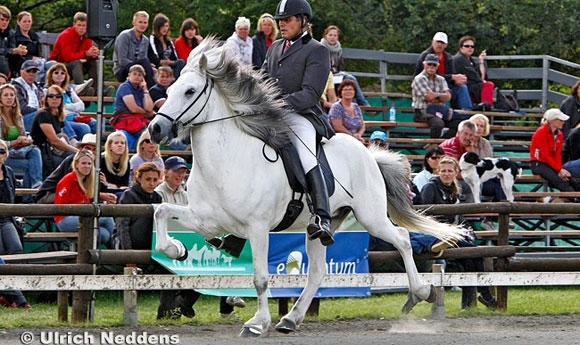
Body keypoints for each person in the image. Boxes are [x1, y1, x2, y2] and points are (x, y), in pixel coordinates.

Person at [263, 0, 334, 246]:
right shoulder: (274, 47)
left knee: (306, 156)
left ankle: (323, 216)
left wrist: (276, 104)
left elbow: (310, 94)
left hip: (300, 114)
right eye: (280, 20)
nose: (282, 24)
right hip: (271, 114)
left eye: (288, 19)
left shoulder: (317, 50)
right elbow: (262, 79)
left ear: (303, 21)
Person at [154, 156, 246, 319]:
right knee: (204, 261)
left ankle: (227, 300)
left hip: (190, 242)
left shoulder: (186, 194)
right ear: (166, 172)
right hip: (172, 242)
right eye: (176, 171)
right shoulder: (158, 193)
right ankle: (195, 304)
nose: (180, 175)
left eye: (183, 172)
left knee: (215, 258)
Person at [418, 156, 497, 310]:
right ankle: (485, 295)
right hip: (436, 236)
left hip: (453, 234)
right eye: (443, 171)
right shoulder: (430, 187)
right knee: (474, 254)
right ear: (438, 171)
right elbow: (424, 214)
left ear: (455, 172)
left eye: (449, 171)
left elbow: (459, 217)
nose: (446, 174)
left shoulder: (455, 189)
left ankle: (469, 305)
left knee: (470, 260)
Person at [54, 150, 115, 247]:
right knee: (107, 219)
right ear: (76, 164)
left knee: (104, 234)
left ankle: (94, 256)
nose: (87, 166)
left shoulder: (87, 181)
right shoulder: (68, 179)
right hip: (65, 219)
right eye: (83, 163)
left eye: (89, 163)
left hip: (82, 217)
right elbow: (60, 206)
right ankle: (115, 253)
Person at [35, 133, 116, 205]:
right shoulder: (73, 160)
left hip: (74, 198)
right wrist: (99, 196)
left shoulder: (98, 162)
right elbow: (73, 190)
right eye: (88, 148)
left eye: (94, 149)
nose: (91, 152)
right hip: (49, 195)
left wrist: (106, 187)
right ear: (81, 149)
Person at [48, 12, 106, 97]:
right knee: (76, 63)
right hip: (59, 66)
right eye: (79, 25)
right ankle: (82, 90)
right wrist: (86, 54)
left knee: (93, 62)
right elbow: (68, 57)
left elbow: (86, 54)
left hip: (75, 67)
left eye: (84, 25)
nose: (81, 28)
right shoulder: (66, 35)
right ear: (74, 24)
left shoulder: (87, 36)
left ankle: (98, 92)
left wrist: (93, 54)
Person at [0, 83, 43, 198]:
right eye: (6, 95)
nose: (9, 97)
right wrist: (16, 142)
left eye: (12, 95)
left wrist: (26, 141)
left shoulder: (18, 116)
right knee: (31, 165)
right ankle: (30, 197)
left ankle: (36, 187)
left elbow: (23, 134)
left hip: (19, 150)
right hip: (4, 155)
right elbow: (0, 144)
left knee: (35, 152)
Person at [414, 32, 472, 110]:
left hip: (446, 83)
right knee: (443, 89)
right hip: (429, 84)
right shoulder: (426, 56)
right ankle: (445, 112)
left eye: (442, 43)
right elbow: (427, 75)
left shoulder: (448, 57)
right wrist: (452, 77)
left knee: (462, 88)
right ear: (432, 42)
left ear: (446, 45)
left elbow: (452, 74)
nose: (439, 45)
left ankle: (466, 112)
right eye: (437, 42)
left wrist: (458, 80)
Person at [31, 84, 78, 178]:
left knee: (79, 159)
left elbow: (61, 137)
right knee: (73, 158)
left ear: (61, 99)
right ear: (46, 99)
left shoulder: (58, 114)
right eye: (51, 96)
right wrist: (76, 150)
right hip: (43, 151)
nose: (54, 98)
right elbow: (54, 140)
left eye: (58, 96)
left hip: (55, 150)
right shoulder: (43, 114)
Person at [114, 162, 162, 250]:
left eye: (155, 180)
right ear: (139, 179)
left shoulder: (157, 197)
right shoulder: (128, 195)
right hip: (128, 242)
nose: (151, 183)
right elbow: (122, 226)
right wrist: (128, 253)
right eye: (148, 179)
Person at [412, 53, 460, 139]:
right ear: (424, 64)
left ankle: (441, 144)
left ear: (437, 66)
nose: (431, 66)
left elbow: (448, 97)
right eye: (429, 64)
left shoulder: (441, 79)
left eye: (434, 65)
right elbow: (429, 98)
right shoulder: (419, 78)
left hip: (440, 111)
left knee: (458, 123)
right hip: (423, 111)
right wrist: (441, 97)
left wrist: (436, 95)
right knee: (438, 124)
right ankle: (432, 146)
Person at [530, 108, 578, 192]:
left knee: (570, 179)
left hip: (550, 164)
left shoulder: (559, 134)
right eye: (561, 120)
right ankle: (575, 198)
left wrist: (559, 169)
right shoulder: (541, 132)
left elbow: (557, 154)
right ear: (553, 120)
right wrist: (559, 169)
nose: (563, 122)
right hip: (538, 163)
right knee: (561, 182)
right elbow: (545, 155)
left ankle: (574, 198)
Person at [320, 25, 368, 106]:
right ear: (325, 36)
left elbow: (340, 66)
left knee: (350, 81)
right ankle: (364, 105)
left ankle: (355, 110)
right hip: (326, 75)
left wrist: (341, 72)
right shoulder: (320, 48)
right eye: (330, 35)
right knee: (350, 79)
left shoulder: (338, 49)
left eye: (335, 35)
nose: (333, 37)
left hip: (336, 74)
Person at [110, 64, 154, 151]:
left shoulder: (141, 89)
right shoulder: (124, 87)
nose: (137, 77)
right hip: (125, 121)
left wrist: (145, 90)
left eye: (140, 75)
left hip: (138, 120)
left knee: (150, 134)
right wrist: (146, 112)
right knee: (145, 135)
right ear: (129, 75)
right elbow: (133, 108)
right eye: (134, 74)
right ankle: (135, 152)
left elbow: (149, 107)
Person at [45, 63, 95, 138]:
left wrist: (66, 106)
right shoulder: (47, 90)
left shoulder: (68, 90)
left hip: (75, 117)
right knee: (84, 128)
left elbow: (82, 106)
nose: (59, 75)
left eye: (62, 73)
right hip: (63, 121)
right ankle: (79, 147)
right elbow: (56, 109)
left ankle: (94, 147)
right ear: (51, 75)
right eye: (56, 73)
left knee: (95, 123)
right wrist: (74, 106)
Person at [113, 11, 156, 88]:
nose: (142, 25)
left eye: (145, 23)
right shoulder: (125, 36)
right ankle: (153, 89)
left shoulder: (145, 40)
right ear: (134, 23)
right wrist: (142, 66)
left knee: (154, 69)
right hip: (122, 70)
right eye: (140, 22)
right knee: (145, 61)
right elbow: (122, 60)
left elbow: (142, 59)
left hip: (138, 70)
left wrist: (148, 67)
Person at [13, 11, 54, 84]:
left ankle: (46, 85)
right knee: (37, 66)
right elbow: (14, 57)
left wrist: (39, 58)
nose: (27, 23)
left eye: (29, 21)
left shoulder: (34, 36)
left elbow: (38, 53)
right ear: (19, 22)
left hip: (37, 61)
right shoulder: (14, 37)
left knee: (52, 64)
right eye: (24, 21)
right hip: (22, 63)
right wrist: (31, 58)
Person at [453, 36, 494, 108]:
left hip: (473, 87)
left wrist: (481, 61)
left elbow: (481, 77)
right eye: (467, 46)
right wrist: (482, 81)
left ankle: (485, 107)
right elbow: (478, 78)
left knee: (487, 85)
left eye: (472, 46)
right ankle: (486, 109)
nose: (470, 48)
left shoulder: (471, 60)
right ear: (461, 47)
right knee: (488, 85)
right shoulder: (459, 59)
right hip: (464, 88)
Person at [147, 13, 185, 79]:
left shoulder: (168, 41)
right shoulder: (152, 39)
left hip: (169, 66)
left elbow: (175, 58)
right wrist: (163, 62)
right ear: (157, 27)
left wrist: (169, 62)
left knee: (181, 62)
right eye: (162, 26)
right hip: (158, 67)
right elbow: (154, 58)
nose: (165, 29)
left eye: (166, 26)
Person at [328, 79, 365, 143]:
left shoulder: (356, 106)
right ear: (341, 92)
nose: (348, 91)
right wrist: (352, 136)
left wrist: (359, 135)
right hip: (340, 139)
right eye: (345, 89)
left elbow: (362, 125)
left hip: (356, 139)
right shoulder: (336, 107)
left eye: (350, 89)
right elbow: (338, 127)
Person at [11, 59, 42, 132]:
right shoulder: (15, 87)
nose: (31, 74)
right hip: (22, 119)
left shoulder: (38, 87)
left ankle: (71, 140)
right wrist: (41, 111)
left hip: (39, 117)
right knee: (46, 114)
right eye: (28, 71)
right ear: (21, 72)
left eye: (34, 71)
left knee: (57, 115)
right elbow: (22, 109)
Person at [100, 131, 130, 198]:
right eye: (116, 143)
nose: (120, 145)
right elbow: (102, 186)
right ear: (110, 146)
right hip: (105, 194)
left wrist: (108, 184)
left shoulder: (126, 162)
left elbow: (125, 186)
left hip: (120, 192)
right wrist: (116, 187)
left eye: (122, 143)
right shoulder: (101, 160)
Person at [0, 6, 27, 78]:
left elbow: (12, 47)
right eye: (2, 19)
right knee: (2, 59)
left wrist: (20, 50)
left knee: (21, 59)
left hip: (7, 59)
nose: (4, 22)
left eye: (7, 20)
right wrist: (13, 51)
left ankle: (22, 81)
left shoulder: (10, 33)